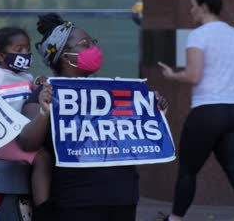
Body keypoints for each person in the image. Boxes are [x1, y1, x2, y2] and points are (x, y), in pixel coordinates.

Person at [16, 13, 167, 221]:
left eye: (92, 42)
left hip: (123, 198)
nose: (94, 49)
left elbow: (138, 137)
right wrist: (44, 112)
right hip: (76, 201)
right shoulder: (45, 94)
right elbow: (27, 143)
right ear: (65, 56)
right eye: (85, 44)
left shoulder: (115, 93)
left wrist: (154, 112)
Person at [157, 0, 234, 221]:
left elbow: (194, 75)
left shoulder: (198, 35)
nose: (190, 11)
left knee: (188, 171)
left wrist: (172, 75)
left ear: (203, 7)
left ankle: (175, 219)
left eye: (192, 6)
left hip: (207, 112)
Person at [0, 27, 52, 219]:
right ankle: (44, 211)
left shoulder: (27, 77)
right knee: (41, 157)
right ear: (0, 56)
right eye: (19, 50)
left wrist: (37, 87)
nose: (25, 54)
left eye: (27, 50)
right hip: (2, 138)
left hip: (20, 134)